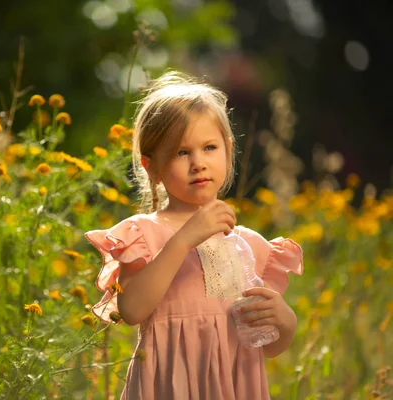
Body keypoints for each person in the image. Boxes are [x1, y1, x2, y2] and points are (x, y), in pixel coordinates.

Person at [84, 71, 304, 399]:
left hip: (233, 384)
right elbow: (131, 311)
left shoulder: (249, 245)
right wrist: (185, 238)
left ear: (228, 151)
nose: (198, 163)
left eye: (210, 147)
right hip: (169, 385)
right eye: (181, 153)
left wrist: (286, 323)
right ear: (151, 166)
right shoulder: (142, 234)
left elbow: (267, 346)